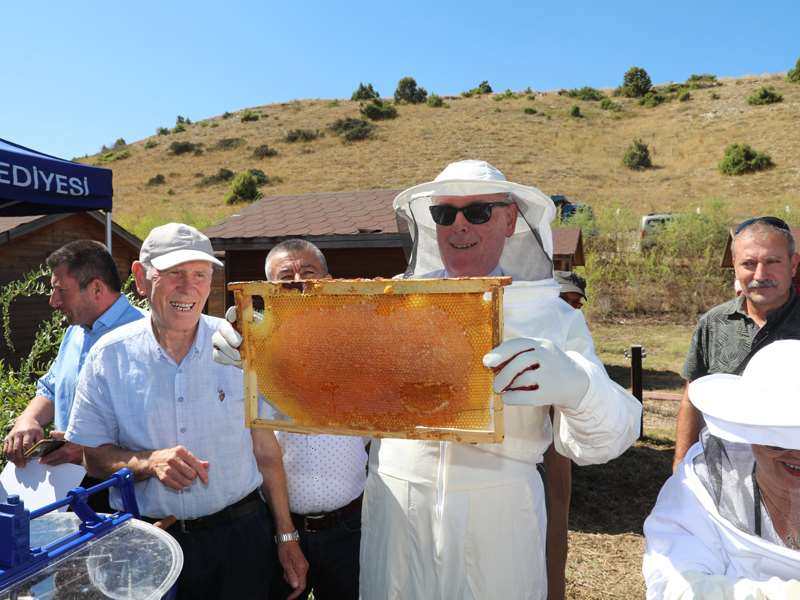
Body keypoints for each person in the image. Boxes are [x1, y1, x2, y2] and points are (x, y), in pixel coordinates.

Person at [358, 160, 642, 600]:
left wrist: (580, 388)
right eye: (443, 213)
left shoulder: (553, 315)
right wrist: (264, 348)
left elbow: (609, 437)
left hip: (499, 515)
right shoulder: (391, 304)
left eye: (477, 212)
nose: (458, 226)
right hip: (396, 511)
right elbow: (336, 383)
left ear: (510, 220)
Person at [65, 223, 308, 600]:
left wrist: (286, 535)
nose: (188, 287)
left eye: (200, 275)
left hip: (242, 540)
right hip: (152, 543)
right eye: (174, 274)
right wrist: (147, 462)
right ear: (142, 278)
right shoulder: (108, 356)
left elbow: (265, 450)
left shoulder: (242, 348)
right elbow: (93, 458)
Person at [214, 238, 366, 600]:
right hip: (276, 525)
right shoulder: (248, 347)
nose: (297, 280)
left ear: (328, 280)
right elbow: (259, 445)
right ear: (268, 287)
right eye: (285, 276)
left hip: (351, 526)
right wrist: (285, 532)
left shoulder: (360, 342)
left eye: (308, 271)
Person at [643, 339, 800, 599]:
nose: (796, 453)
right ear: (748, 432)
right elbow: (676, 581)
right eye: (777, 439)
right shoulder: (701, 483)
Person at [3, 241, 143, 515]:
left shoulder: (145, 335)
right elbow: (53, 389)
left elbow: (155, 429)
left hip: (116, 496)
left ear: (97, 289)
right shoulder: (76, 331)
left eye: (60, 291)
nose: (53, 301)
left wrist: (90, 452)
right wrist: (27, 419)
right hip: (64, 488)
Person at [673, 216, 800, 471]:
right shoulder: (713, 323)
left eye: (772, 262)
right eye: (749, 263)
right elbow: (692, 398)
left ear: (793, 264)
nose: (760, 275)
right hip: (727, 473)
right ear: (734, 265)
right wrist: (681, 463)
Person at [542, 269, 589, 599]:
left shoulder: (578, 337)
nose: (569, 308)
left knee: (554, 530)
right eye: (562, 300)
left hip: (557, 447)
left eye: (575, 302)